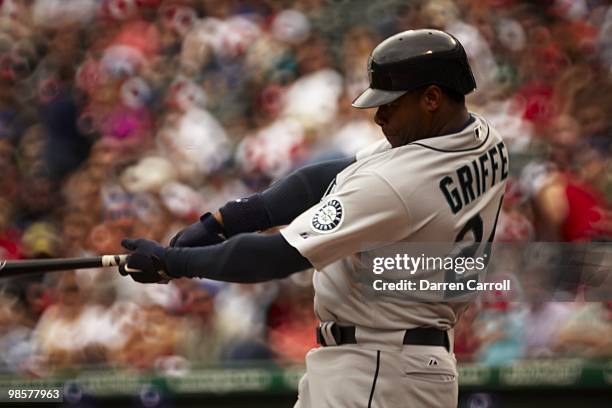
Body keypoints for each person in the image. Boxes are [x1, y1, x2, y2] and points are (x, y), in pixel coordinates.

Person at [119, 29, 508, 407]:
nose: (379, 117)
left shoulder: (396, 184)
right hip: (407, 362)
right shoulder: (485, 140)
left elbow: (275, 255)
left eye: (390, 104)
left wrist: (173, 262)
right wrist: (221, 221)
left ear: (432, 98)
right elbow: (323, 178)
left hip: (376, 369)